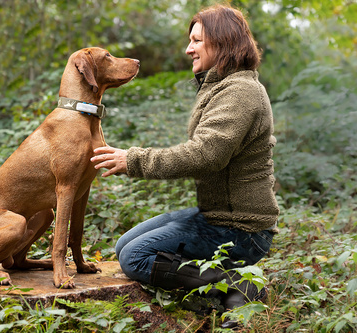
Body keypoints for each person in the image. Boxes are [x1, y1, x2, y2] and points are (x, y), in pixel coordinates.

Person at [91, 4, 279, 328]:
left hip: (242, 230)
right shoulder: (222, 85)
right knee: (124, 246)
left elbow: (206, 155)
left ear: (223, 42)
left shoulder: (241, 92)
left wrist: (133, 160)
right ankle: (218, 287)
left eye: (197, 41)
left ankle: (236, 283)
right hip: (217, 216)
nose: (188, 49)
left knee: (134, 258)